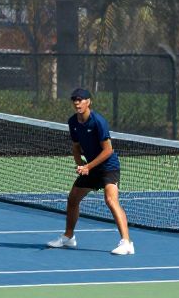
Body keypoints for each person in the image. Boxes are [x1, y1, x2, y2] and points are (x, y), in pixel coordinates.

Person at [47, 87, 134, 256]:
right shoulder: (73, 122)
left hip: (108, 167)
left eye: (80, 100)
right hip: (91, 169)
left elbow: (108, 150)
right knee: (72, 199)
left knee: (110, 200)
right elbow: (76, 147)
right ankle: (68, 237)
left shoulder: (98, 122)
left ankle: (127, 243)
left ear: (88, 102)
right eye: (74, 100)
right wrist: (80, 165)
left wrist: (89, 166)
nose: (77, 103)